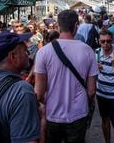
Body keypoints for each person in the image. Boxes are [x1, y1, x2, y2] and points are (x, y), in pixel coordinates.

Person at [34, 10, 98, 143]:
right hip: (78, 113)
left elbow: (39, 93)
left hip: (52, 114)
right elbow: (92, 91)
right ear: (76, 25)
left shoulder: (43, 52)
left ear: (58, 25)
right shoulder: (88, 51)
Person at [95, 29, 114, 143]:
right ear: (99, 41)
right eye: (103, 41)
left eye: (108, 41)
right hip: (101, 93)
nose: (105, 44)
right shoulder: (97, 53)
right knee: (104, 120)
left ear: (112, 40)